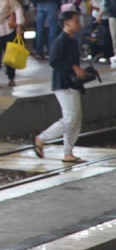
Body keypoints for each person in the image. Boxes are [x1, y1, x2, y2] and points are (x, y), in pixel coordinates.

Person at [33, 10, 89, 165]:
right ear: (67, 23)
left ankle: (68, 153)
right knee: (70, 119)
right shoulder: (60, 41)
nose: (79, 24)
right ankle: (41, 139)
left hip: (72, 84)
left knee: (75, 120)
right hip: (63, 84)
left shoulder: (72, 41)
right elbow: (54, 61)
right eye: (76, 21)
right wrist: (73, 67)